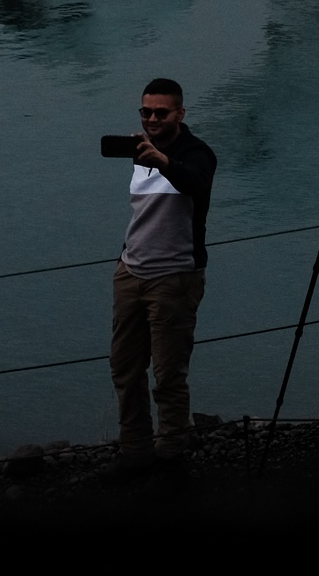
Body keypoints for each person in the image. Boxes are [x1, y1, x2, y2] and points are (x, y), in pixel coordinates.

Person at [109, 77, 216, 475]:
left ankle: (172, 458)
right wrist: (124, 260)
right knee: (125, 368)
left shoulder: (197, 154)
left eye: (161, 112)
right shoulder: (140, 152)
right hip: (131, 273)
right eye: (146, 111)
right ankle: (134, 452)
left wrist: (164, 161)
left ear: (180, 114)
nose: (152, 118)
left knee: (169, 376)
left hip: (174, 279)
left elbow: (196, 182)